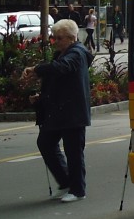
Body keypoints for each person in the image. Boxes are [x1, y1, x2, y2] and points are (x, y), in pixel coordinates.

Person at [22, 19, 92, 203]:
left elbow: (61, 69)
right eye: (54, 37)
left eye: (58, 38)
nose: (55, 41)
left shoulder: (77, 53)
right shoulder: (63, 53)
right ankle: (66, 182)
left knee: (74, 151)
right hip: (59, 110)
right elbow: (57, 78)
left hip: (72, 111)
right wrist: (41, 96)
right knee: (45, 142)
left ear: (71, 38)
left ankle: (78, 189)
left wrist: (37, 68)